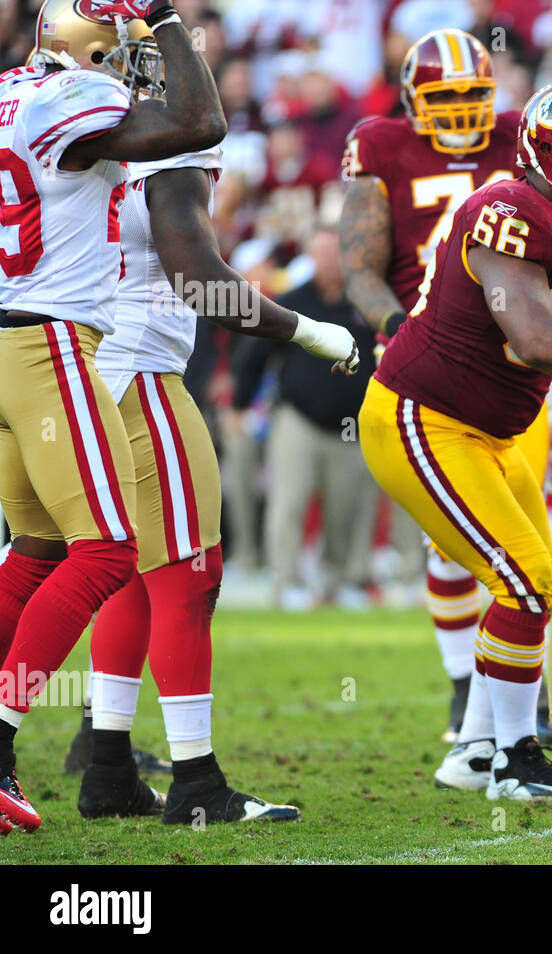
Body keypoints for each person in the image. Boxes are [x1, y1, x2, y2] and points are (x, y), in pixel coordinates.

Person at [71, 73, 356, 825]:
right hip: (139, 371)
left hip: (85, 368)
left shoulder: (64, 138)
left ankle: (107, 769)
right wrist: (305, 329)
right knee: (189, 574)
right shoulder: (170, 150)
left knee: (130, 573)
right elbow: (205, 285)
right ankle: (195, 778)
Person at [358, 78, 552, 802]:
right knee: (526, 582)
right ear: (549, 154)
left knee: (527, 585)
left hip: (493, 430)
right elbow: (540, 340)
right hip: (423, 416)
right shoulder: (507, 209)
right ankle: (514, 761)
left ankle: (475, 752)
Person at [0, 0, 228, 834]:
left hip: (12, 344)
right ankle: (5, 740)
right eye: (121, 54)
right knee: (109, 554)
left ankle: (103, 761)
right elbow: (199, 119)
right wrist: (164, 16)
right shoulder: (74, 105)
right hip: (59, 346)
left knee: (35, 554)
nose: (134, 71)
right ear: (91, 51)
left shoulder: (13, 95)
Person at [340, 28, 541, 745]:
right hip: (429, 356)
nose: (461, 111)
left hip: (519, 358)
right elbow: (359, 265)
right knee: (452, 540)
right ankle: (467, 687)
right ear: (411, 99)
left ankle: (514, 693)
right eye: (446, 96)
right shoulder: (382, 145)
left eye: (473, 95)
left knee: (527, 532)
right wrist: (395, 322)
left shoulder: (522, 134)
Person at [234, 229, 374, 611]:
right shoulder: (293, 301)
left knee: (346, 506)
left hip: (352, 423)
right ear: (312, 258)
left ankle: (339, 580)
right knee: (289, 502)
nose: (329, 262)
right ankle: (287, 581)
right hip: (298, 416)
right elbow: (256, 352)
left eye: (335, 253)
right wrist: (241, 403)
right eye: (322, 254)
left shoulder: (365, 302)